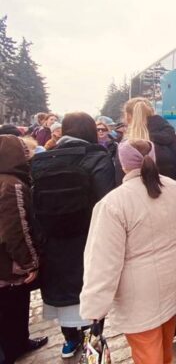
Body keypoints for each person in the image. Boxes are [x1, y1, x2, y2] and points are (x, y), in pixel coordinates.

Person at [80, 139, 176, 364]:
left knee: (147, 354)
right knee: (165, 346)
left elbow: (102, 263)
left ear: (123, 165)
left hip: (138, 297)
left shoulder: (113, 203)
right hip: (174, 283)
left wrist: (95, 307)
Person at [31, 112, 115, 358]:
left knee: (63, 295)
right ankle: (92, 349)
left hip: (53, 242)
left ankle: (69, 342)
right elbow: (106, 202)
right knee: (90, 293)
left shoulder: (41, 160)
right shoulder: (97, 157)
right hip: (88, 238)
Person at [0, 135, 48, 364]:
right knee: (12, 306)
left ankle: (19, 342)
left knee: (15, 305)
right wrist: (30, 262)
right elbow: (17, 227)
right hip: (8, 262)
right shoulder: (12, 185)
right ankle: (13, 347)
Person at [117, 97, 176, 185]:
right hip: (174, 194)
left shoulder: (127, 146)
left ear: (128, 117)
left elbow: (121, 181)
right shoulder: (175, 139)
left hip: (141, 196)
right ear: (153, 112)